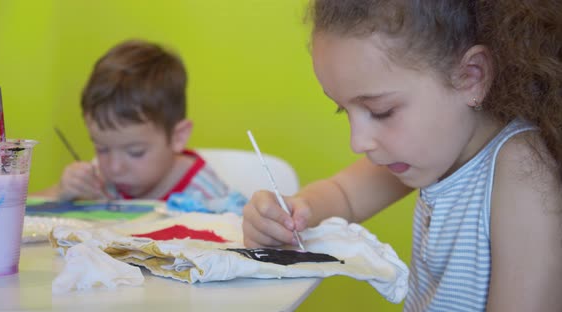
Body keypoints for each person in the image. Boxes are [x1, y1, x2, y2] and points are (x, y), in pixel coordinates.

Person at [242, 0, 562, 311]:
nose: (359, 141)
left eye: (381, 111)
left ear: (471, 76)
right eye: (344, 109)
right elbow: (344, 196)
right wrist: (290, 215)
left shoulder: (523, 171)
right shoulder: (430, 154)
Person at [36, 40, 231, 202]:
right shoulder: (98, 179)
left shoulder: (208, 196)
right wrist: (61, 192)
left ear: (177, 136)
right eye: (102, 149)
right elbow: (19, 212)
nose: (114, 168)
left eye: (135, 152)